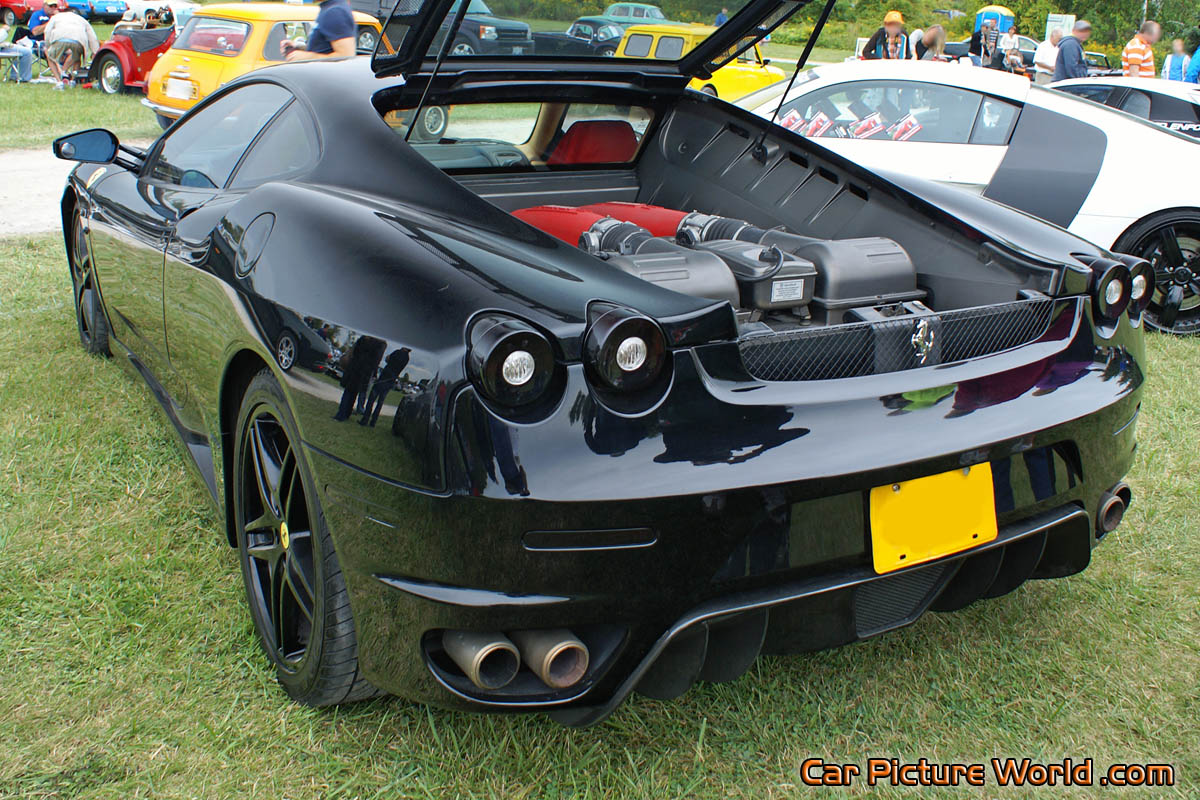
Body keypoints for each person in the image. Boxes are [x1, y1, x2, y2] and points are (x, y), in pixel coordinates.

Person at [43, 4, 98, 89]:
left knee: (50, 57)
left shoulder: (56, 17)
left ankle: (59, 82)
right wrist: (95, 52)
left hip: (60, 38)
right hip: (79, 40)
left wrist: (48, 45)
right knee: (77, 58)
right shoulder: (82, 19)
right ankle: (72, 81)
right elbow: (93, 37)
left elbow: (47, 31)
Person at [281, 0, 356, 60]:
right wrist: (299, 46)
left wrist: (308, 57)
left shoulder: (335, 12)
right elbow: (325, 48)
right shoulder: (328, 8)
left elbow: (346, 56)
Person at [359, 348, 410, 427]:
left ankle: (365, 419)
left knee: (371, 400)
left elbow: (387, 359)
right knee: (380, 403)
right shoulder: (407, 358)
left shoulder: (397, 352)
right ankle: (373, 422)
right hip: (391, 381)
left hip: (384, 377)